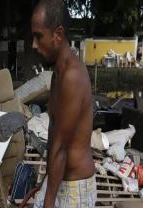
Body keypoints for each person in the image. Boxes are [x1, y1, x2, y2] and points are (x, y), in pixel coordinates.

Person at [31, 0, 96, 207]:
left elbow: (61, 147)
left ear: (58, 34)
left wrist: (48, 202)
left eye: (38, 36)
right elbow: (53, 134)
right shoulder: (57, 75)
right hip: (59, 180)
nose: (34, 44)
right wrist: (44, 183)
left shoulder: (72, 76)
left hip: (76, 188)